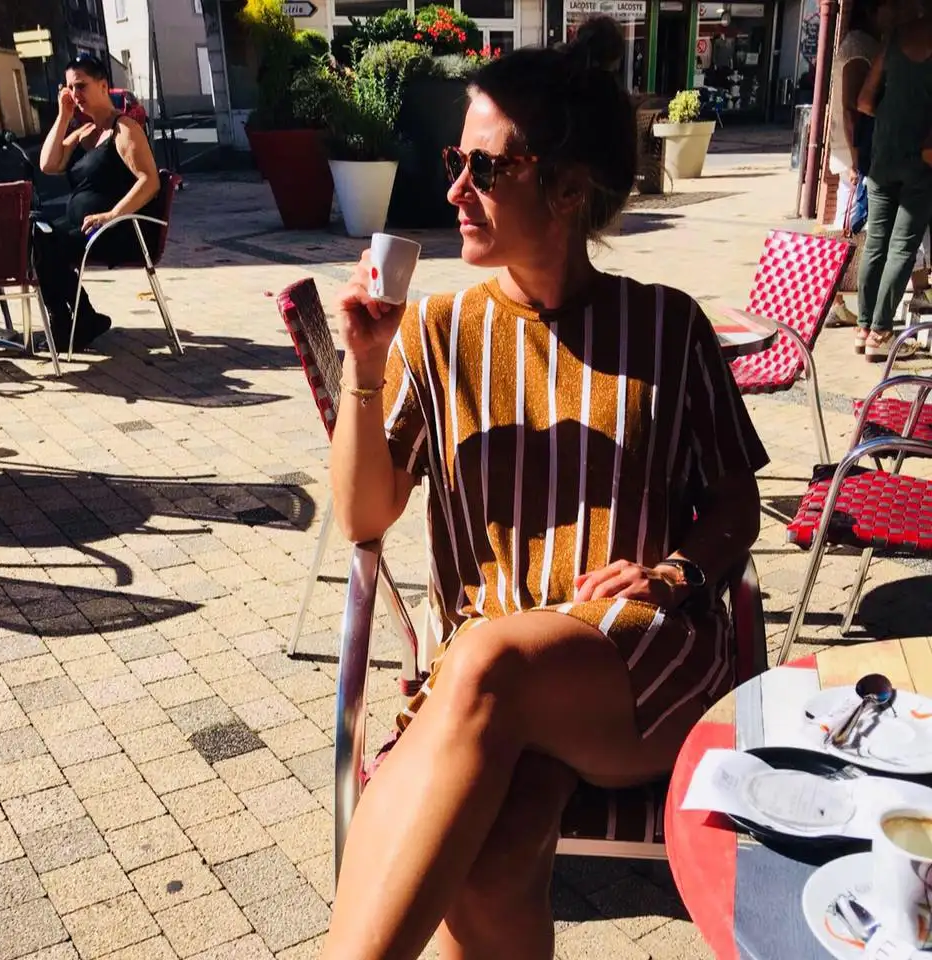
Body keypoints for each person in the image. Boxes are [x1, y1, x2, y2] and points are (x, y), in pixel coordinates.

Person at [324, 16, 767, 960]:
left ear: (567, 189)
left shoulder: (666, 327)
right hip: (489, 684)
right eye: (457, 158)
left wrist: (679, 574)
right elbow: (364, 517)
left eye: (485, 170)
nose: (454, 190)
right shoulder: (440, 332)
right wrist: (365, 368)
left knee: (487, 663)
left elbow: (736, 505)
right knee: (486, 862)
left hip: (636, 660)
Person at [35, 55, 161, 352]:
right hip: (84, 229)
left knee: (44, 245)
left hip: (117, 230)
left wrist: (111, 215)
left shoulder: (124, 128)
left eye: (81, 86)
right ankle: (77, 319)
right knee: (34, 232)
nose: (75, 95)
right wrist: (64, 116)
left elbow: (150, 180)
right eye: (69, 88)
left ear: (103, 86)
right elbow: (48, 164)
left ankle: (75, 321)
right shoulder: (85, 132)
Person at [855, 4, 932, 360]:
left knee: (876, 242)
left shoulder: (895, 39)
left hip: (882, 158)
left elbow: (865, 102)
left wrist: (893, 116)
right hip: (922, 161)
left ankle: (863, 327)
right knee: (902, 247)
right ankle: (881, 333)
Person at [825, 0, 890, 328]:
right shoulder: (861, 48)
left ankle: (834, 300)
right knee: (847, 231)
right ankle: (831, 299)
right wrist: (856, 159)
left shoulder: (859, 45)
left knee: (847, 229)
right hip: (855, 154)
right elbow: (852, 109)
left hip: (852, 152)